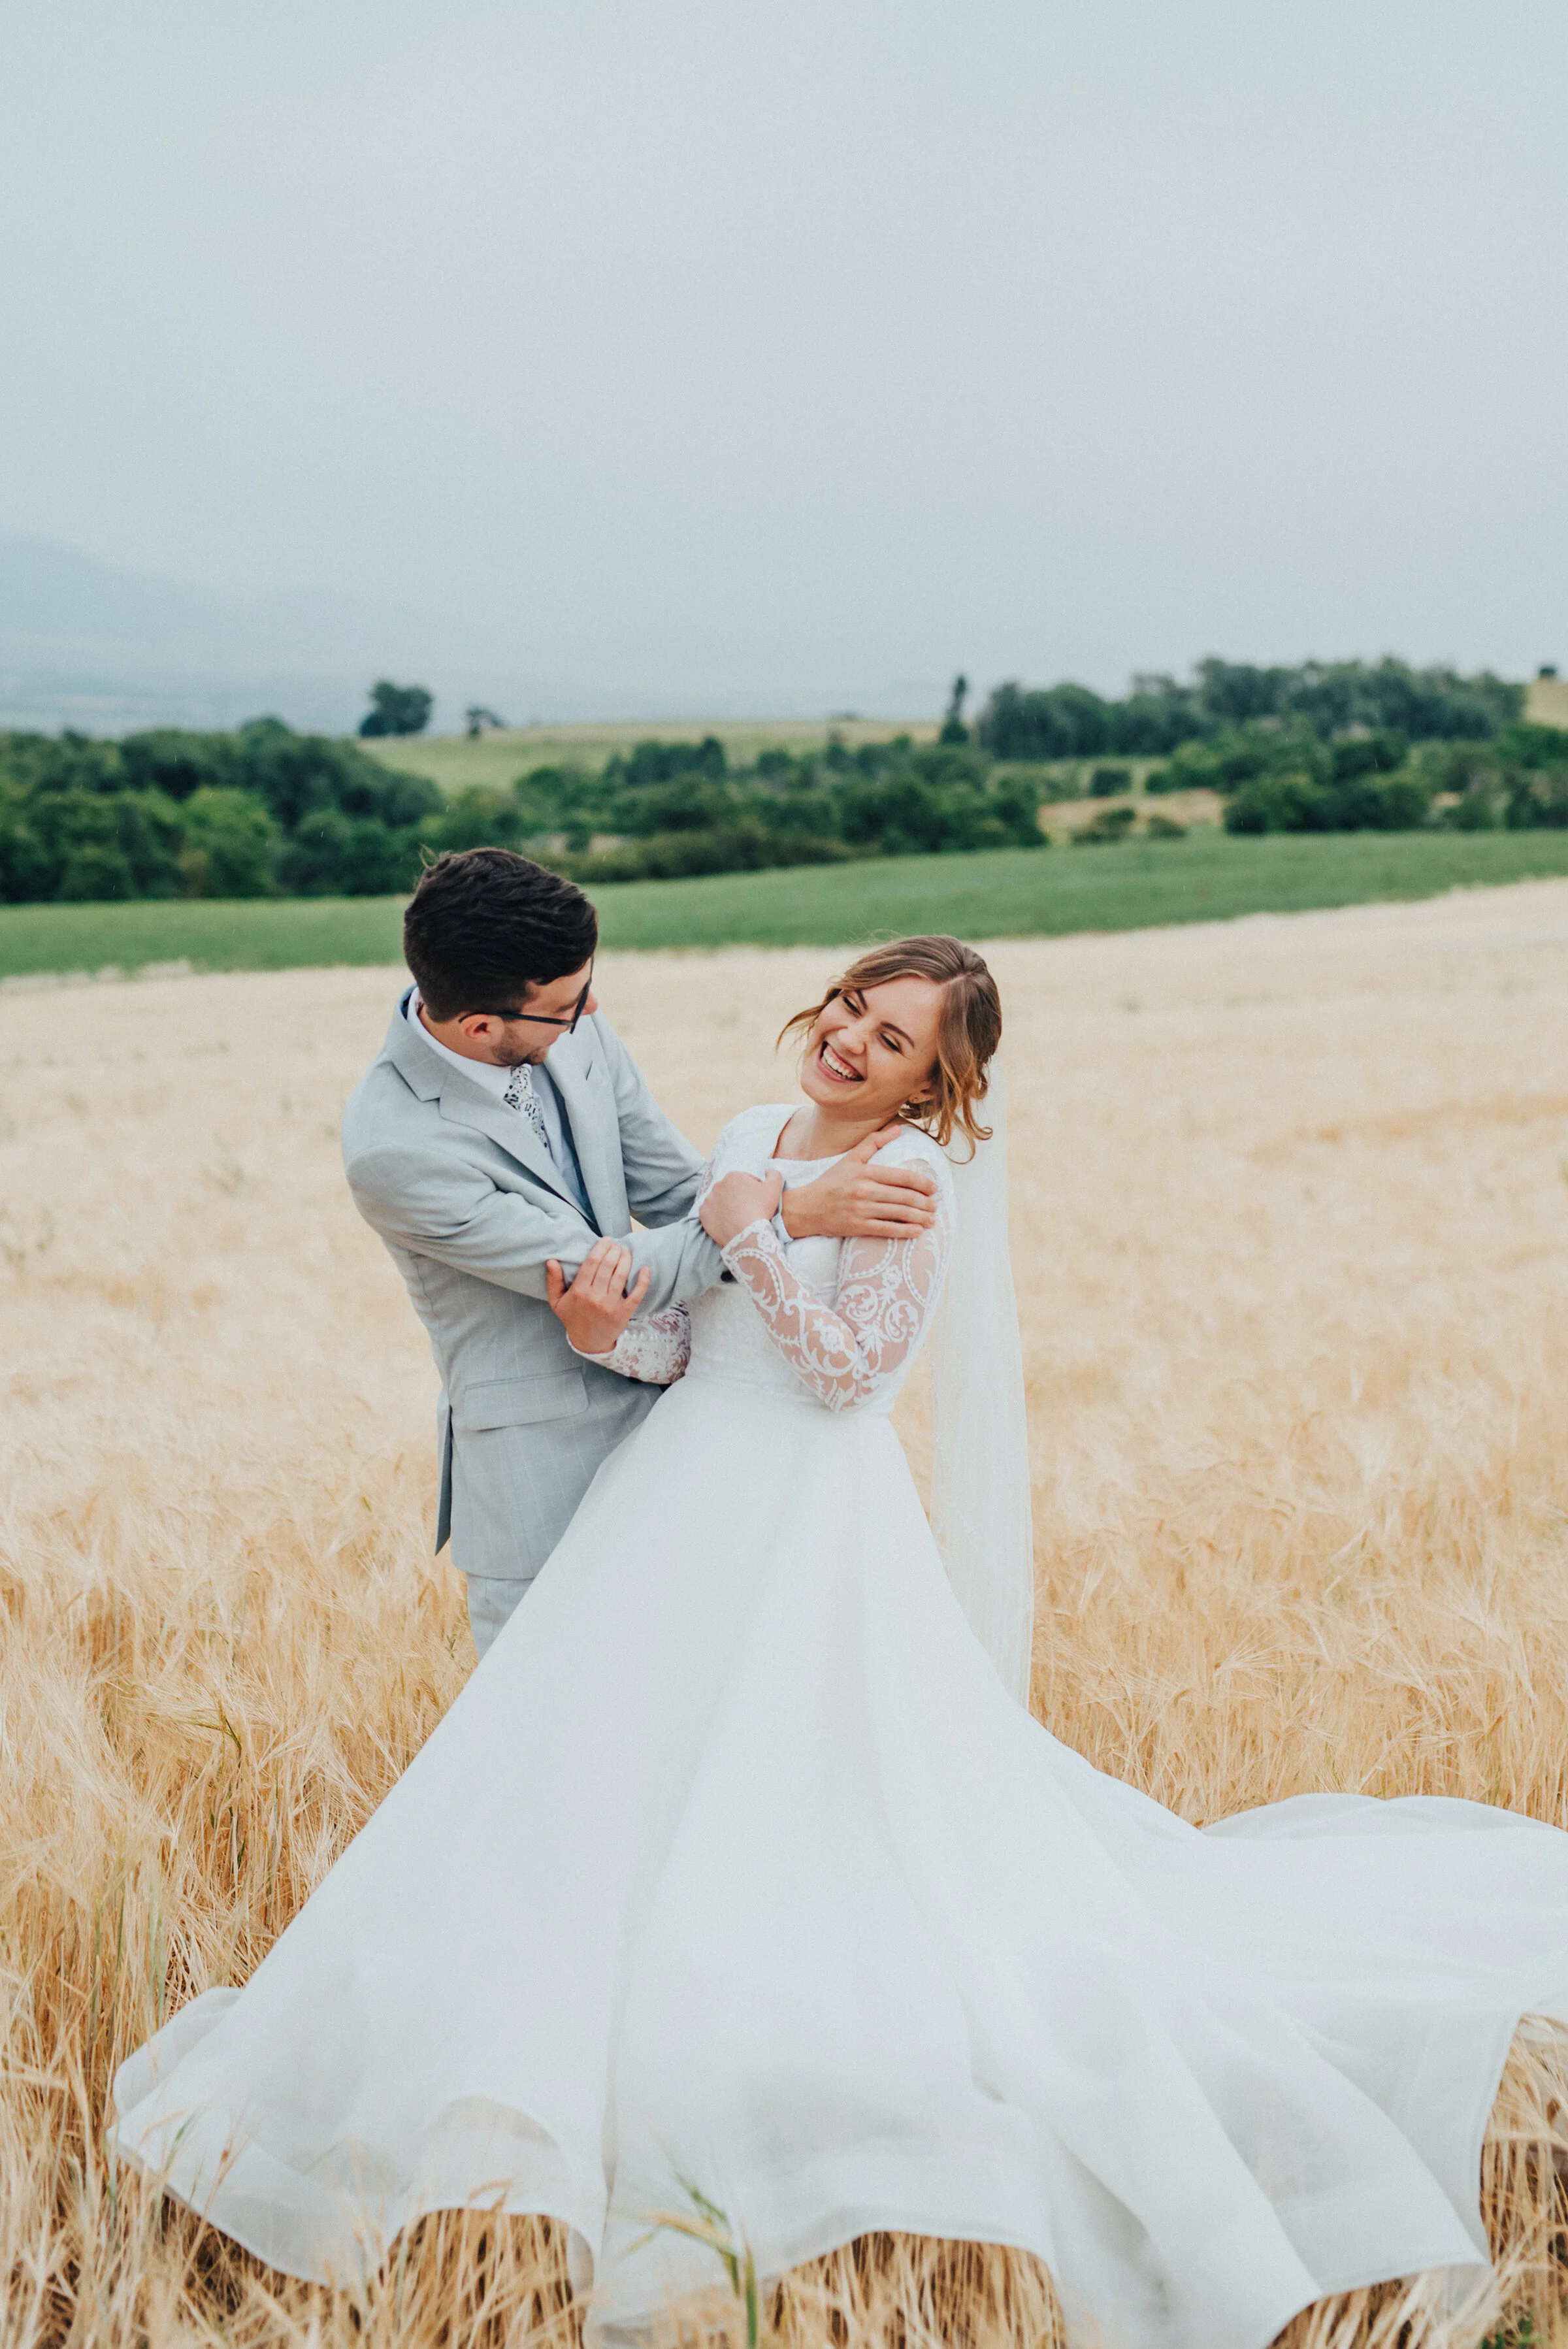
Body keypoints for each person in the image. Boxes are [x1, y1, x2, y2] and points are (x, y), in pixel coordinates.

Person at [113, 936, 1568, 2349]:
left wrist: (757, 1226)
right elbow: (695, 1341)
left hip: (807, 1507)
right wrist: (607, 1328)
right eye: (858, 1006)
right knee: (606, 1778)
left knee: (807, 1787)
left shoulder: (908, 1174)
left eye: (895, 1041)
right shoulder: (755, 1125)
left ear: (929, 1088)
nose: (854, 1039)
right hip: (675, 1488)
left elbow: (855, 1380)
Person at [338, 847, 938, 1657]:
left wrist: (789, 1173)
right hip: (540, 1474)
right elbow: (603, 1278)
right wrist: (790, 1213)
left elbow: (684, 1191)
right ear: (481, 1025)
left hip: (685, 1451)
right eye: (567, 1006)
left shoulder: (569, 1016)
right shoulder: (395, 1150)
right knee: (548, 1737)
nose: (592, 1011)